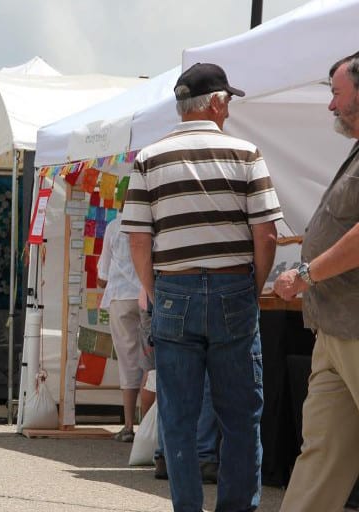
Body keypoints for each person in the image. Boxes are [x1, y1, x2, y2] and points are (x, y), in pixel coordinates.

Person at [122, 63, 281, 511]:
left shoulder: (149, 158)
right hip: (234, 289)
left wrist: (156, 291)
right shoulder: (246, 153)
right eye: (226, 101)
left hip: (174, 289)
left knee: (178, 417)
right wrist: (253, 285)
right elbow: (265, 234)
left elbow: (137, 237)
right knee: (240, 416)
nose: (228, 109)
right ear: (214, 103)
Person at [273, 52, 359, 512]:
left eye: (335, 93)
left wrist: (307, 273)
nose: (330, 106)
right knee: (321, 450)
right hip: (336, 326)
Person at [97, 212, 152, 443]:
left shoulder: (113, 226)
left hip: (120, 297)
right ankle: (148, 425)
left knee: (128, 362)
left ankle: (128, 425)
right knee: (150, 361)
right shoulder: (152, 223)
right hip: (147, 295)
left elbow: (102, 275)